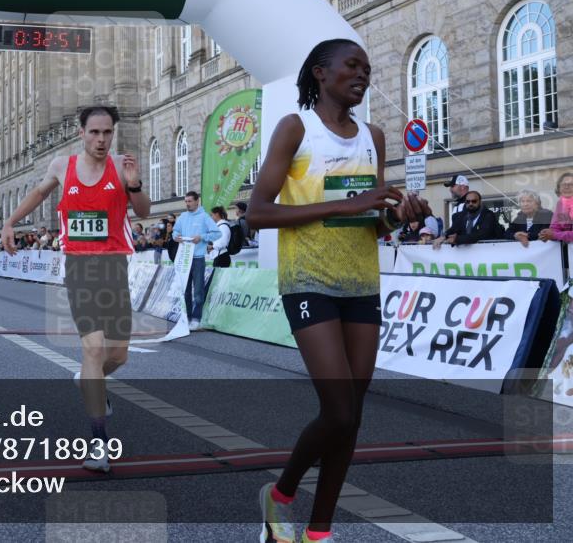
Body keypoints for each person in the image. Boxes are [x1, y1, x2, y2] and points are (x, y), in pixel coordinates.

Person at [246, 39, 428, 543]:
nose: (363, 74)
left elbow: (373, 222)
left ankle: (318, 532)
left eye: (368, 68)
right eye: (353, 65)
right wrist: (344, 207)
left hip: (361, 282)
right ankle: (280, 495)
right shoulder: (296, 128)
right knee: (340, 409)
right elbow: (257, 213)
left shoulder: (373, 135)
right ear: (321, 73)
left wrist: (398, 216)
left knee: (352, 415)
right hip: (308, 280)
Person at [2, 105, 150, 473]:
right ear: (81, 133)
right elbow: (37, 194)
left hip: (115, 266)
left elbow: (145, 212)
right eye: (95, 132)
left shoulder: (121, 166)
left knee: (117, 356)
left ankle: (89, 376)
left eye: (107, 133)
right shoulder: (60, 166)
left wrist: (134, 184)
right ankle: (99, 443)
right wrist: (10, 223)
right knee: (93, 348)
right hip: (80, 268)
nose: (101, 140)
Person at [171, 191, 219, 331]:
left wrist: (202, 237)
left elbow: (217, 233)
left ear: (198, 201)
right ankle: (188, 317)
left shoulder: (204, 217)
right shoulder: (183, 216)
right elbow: (175, 231)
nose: (187, 204)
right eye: (186, 201)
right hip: (184, 258)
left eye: (190, 201)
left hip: (198, 258)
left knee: (198, 290)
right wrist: (176, 236)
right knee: (185, 290)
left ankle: (196, 318)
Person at [434, 190, 498, 249]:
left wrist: (457, 239)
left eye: (474, 201)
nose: (470, 204)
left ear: (480, 202)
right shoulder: (460, 216)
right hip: (464, 256)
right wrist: (443, 237)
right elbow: (453, 229)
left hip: (485, 253)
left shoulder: (488, 215)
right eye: (468, 201)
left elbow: (481, 234)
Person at [541, 171, 573, 244]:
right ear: (559, 188)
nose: (566, 187)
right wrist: (545, 234)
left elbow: (555, 234)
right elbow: (554, 228)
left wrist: (555, 235)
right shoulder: (560, 204)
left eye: (571, 184)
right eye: (563, 184)